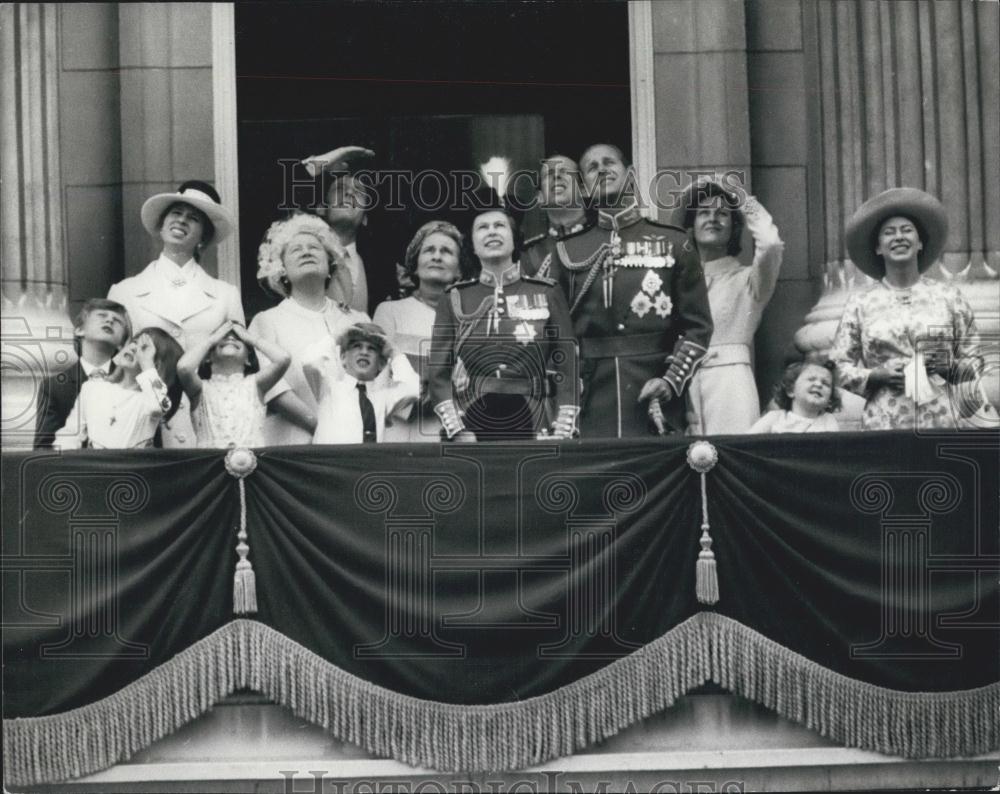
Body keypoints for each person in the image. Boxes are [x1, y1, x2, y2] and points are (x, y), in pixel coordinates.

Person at [544, 142, 713, 437]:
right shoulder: (566, 251)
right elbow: (553, 334)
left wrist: (671, 381)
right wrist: (565, 399)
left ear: (630, 175)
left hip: (654, 390)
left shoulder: (675, 242)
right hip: (590, 394)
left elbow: (698, 327)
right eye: (592, 168)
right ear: (584, 187)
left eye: (610, 163)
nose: (602, 170)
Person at [427, 178, 579, 442]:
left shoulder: (546, 292)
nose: (492, 232)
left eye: (500, 226)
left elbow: (568, 363)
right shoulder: (454, 298)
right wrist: (458, 430)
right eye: (482, 228)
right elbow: (438, 374)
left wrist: (562, 428)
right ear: (472, 245)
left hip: (535, 418)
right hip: (472, 419)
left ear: (515, 238)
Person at [830, 187, 991, 430]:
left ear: (920, 244)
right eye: (889, 233)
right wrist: (875, 375)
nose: (899, 237)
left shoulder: (949, 296)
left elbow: (976, 360)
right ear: (878, 248)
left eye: (907, 231)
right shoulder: (860, 303)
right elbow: (837, 366)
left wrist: (949, 366)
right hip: (883, 422)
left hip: (942, 419)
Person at [107, 180, 243, 447]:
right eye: (176, 214)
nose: (182, 221)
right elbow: (115, 367)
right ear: (162, 224)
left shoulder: (226, 294)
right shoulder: (124, 291)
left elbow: (234, 370)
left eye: (193, 218)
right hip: (143, 428)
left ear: (203, 237)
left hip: (206, 426)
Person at [671, 178, 784, 434]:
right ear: (691, 226)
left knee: (730, 460)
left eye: (722, 214)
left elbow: (770, 244)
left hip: (729, 385)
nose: (713, 219)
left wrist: (742, 199)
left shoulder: (749, 281)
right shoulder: (675, 282)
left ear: (733, 228)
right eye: (704, 213)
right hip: (679, 381)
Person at [250, 212, 370, 445]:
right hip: (293, 445)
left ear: (330, 265)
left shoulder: (357, 320)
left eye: (314, 248)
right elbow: (274, 390)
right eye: (296, 250)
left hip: (355, 445)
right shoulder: (267, 321)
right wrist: (322, 428)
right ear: (281, 269)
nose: (306, 252)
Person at [372, 220, 469, 441]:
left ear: (459, 270)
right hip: (398, 431)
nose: (437, 256)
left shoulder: (470, 318)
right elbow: (377, 379)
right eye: (429, 250)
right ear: (415, 265)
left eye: (446, 251)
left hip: (453, 434)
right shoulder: (389, 311)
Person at [53, 327, 183, 450]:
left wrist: (147, 364)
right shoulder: (92, 388)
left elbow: (158, 406)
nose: (134, 348)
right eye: (134, 342)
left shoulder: (151, 400)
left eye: (144, 348)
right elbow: (70, 434)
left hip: (133, 470)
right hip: (94, 469)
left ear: (156, 365)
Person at [177, 320, 291, 448]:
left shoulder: (255, 385)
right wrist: (210, 340)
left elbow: (283, 358)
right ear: (208, 357)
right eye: (222, 337)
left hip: (251, 462)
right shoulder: (200, 388)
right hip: (210, 464)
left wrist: (251, 339)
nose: (230, 338)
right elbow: (184, 367)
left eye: (238, 338)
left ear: (248, 359)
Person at [34, 298, 131, 449]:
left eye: (117, 320)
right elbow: (43, 449)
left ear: (121, 344)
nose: (110, 320)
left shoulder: (132, 381)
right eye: (102, 315)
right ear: (79, 330)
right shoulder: (54, 387)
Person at [302, 322, 419, 444]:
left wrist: (394, 352)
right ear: (343, 358)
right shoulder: (329, 389)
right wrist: (338, 336)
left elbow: (413, 389)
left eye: (372, 348)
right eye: (357, 346)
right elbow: (310, 361)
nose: (364, 352)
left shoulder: (383, 398)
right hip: (329, 461)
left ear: (381, 364)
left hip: (366, 462)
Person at [302, 145, 376, 314]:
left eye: (359, 192)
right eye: (340, 189)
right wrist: (342, 152)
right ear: (321, 208)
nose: (350, 193)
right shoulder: (304, 252)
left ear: (365, 218)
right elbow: (297, 179)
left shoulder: (377, 267)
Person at [521, 154, 594, 279]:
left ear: (584, 190)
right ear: (540, 198)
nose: (556, 176)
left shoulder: (604, 241)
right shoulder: (528, 255)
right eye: (548, 174)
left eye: (564, 171)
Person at [749, 360, 841, 433]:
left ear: (829, 400)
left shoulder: (828, 420)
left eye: (825, 383)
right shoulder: (775, 418)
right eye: (811, 379)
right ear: (790, 390)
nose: (818, 384)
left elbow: (834, 449)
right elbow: (746, 443)